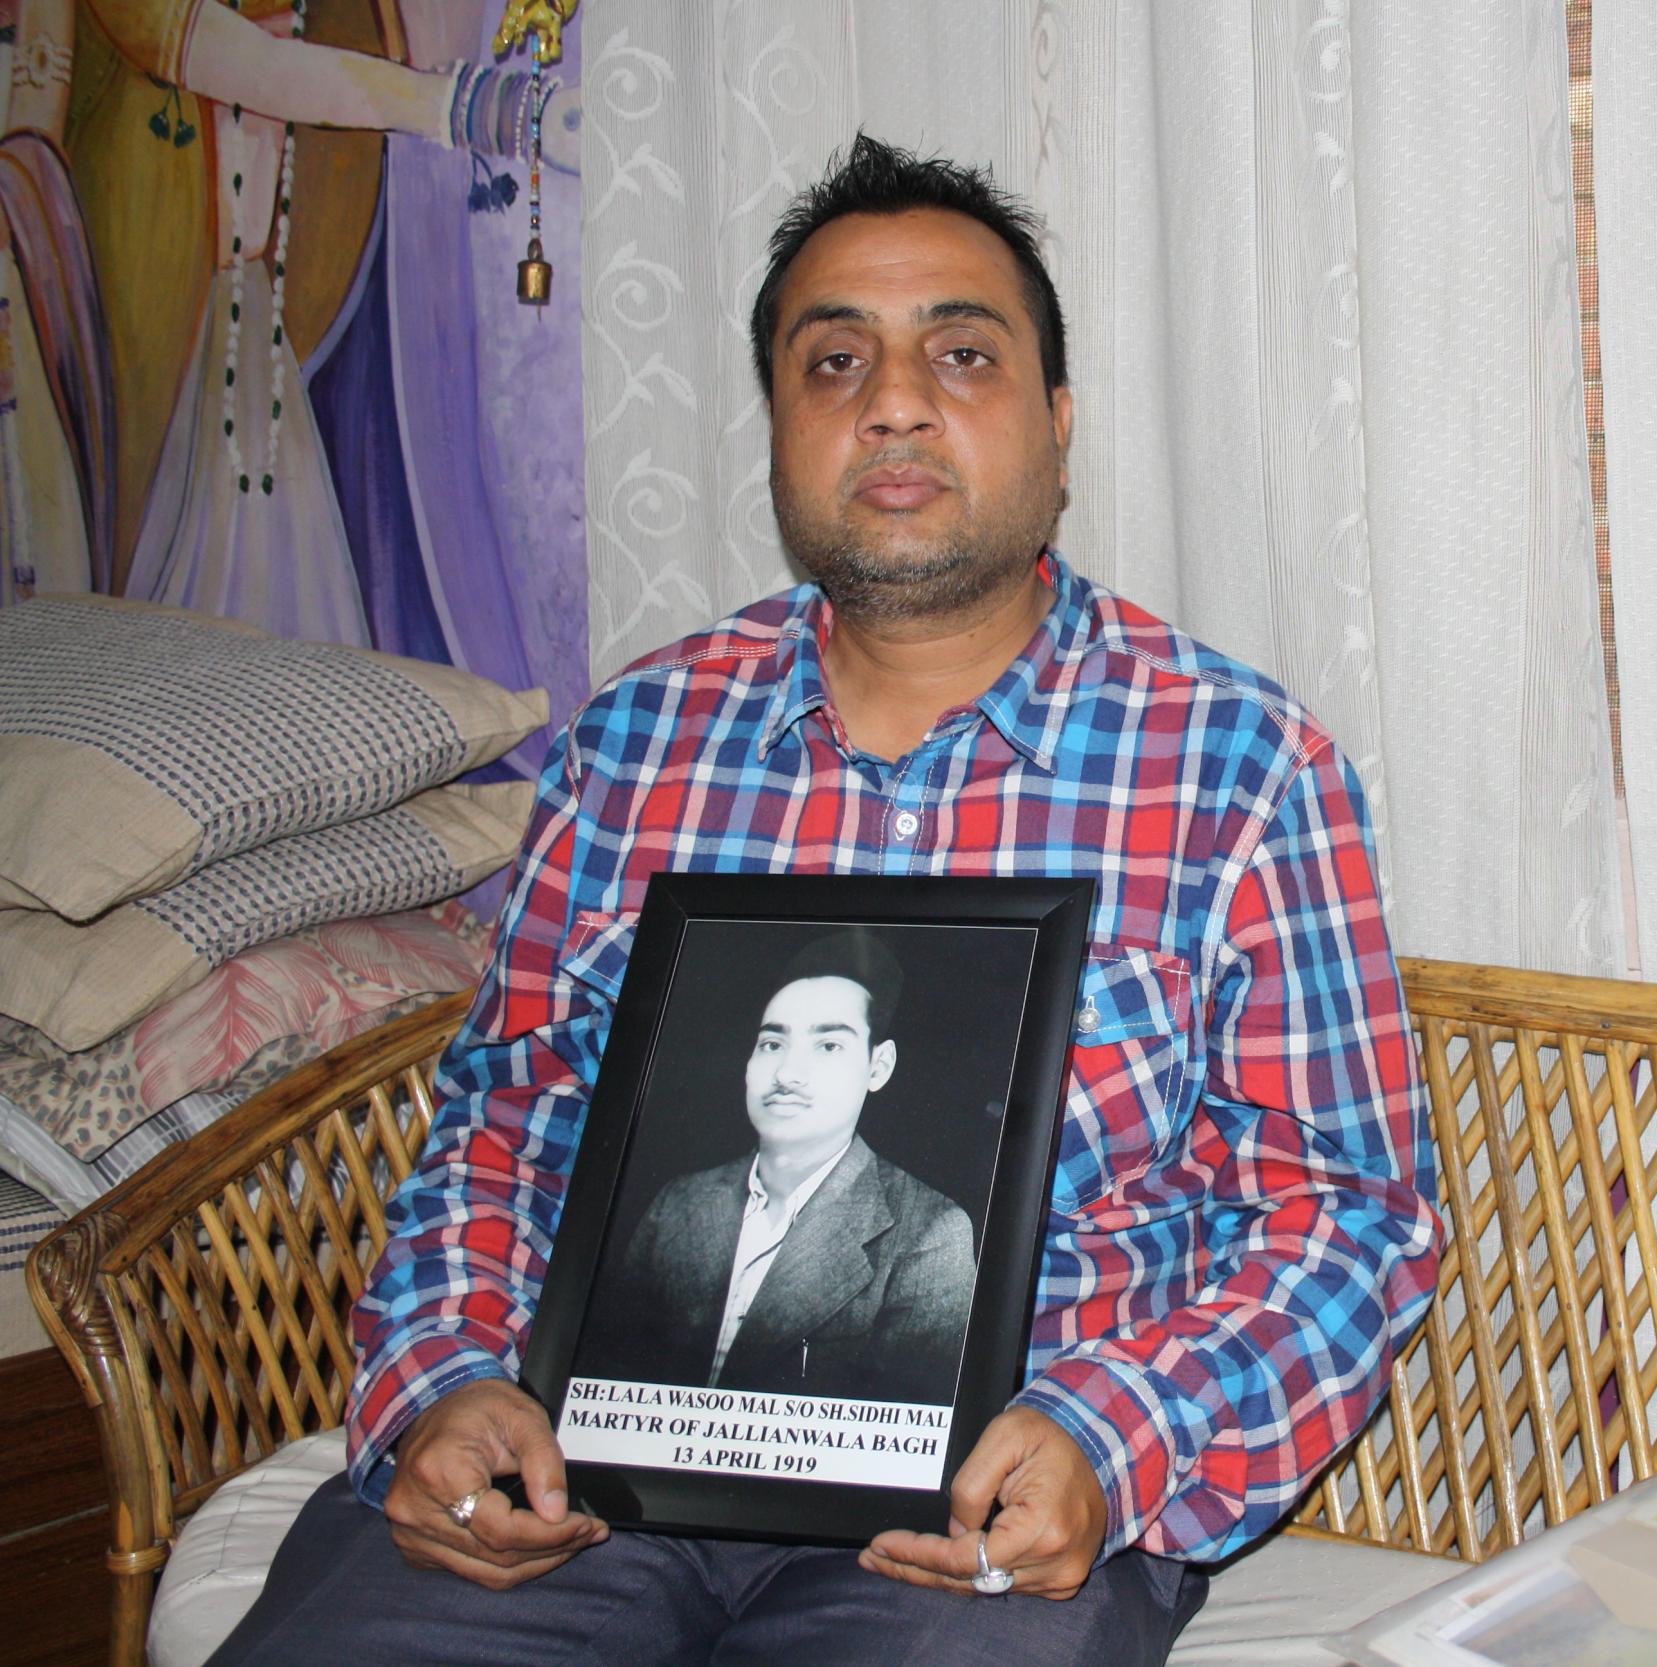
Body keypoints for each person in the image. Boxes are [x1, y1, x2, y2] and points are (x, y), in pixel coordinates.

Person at [208, 132, 1440, 1667]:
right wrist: (445, 1375)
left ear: (1059, 427)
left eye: (964, 353)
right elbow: (506, 1113)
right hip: (581, 1480)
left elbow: (1351, 1210)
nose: (895, 399)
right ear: (780, 432)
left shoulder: (1240, 769)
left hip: (980, 1525)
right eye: (833, 359)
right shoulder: (635, 740)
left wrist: (1115, 1436)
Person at [574, 930, 976, 1406]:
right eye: (771, 1044)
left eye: (828, 1046)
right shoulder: (678, 1203)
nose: (787, 1074)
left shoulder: (930, 1234)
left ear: (878, 1067)